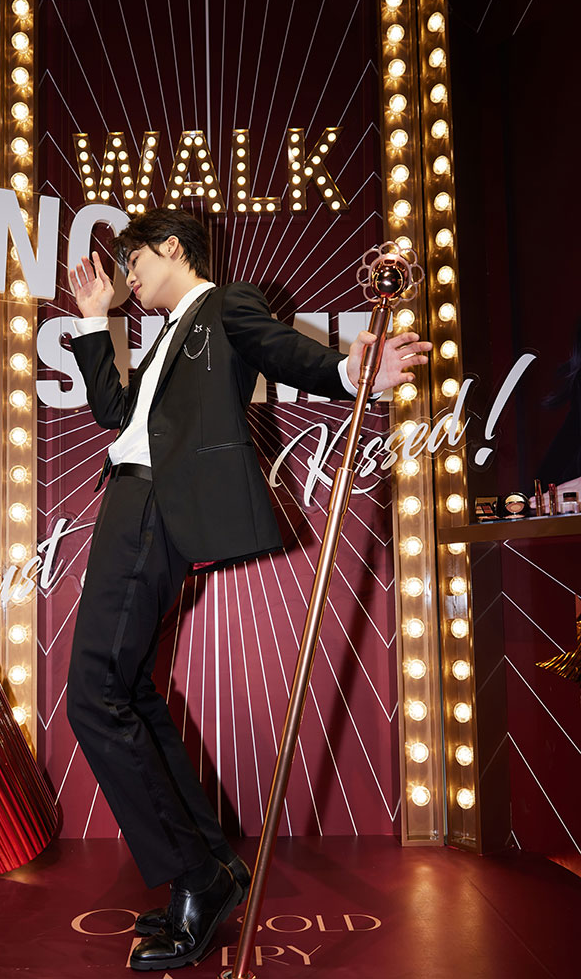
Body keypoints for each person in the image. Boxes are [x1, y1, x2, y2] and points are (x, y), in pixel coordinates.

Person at [66, 208, 430, 971]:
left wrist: (348, 374)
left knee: (94, 692)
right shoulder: (166, 337)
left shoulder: (221, 306)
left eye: (134, 262)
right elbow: (114, 413)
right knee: (125, 689)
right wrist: (95, 320)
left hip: (152, 503)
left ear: (172, 247)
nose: (128, 279)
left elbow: (279, 348)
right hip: (134, 497)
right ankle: (214, 868)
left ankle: (197, 879)